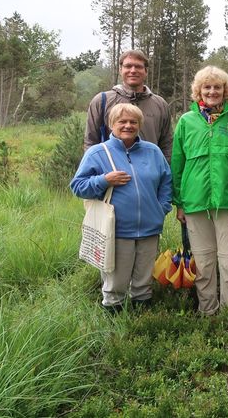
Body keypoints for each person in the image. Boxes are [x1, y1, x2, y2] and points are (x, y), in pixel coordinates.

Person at [71, 103, 172, 313]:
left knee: (144, 281)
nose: (128, 125)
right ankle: (114, 323)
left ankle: (141, 322)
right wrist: (104, 180)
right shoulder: (98, 153)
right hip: (116, 231)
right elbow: (78, 186)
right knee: (115, 282)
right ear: (111, 125)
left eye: (133, 122)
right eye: (122, 122)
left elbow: (166, 181)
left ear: (140, 125)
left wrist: (161, 208)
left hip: (149, 229)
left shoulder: (152, 151)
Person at [172, 66, 228, 315]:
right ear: (199, 91)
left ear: (225, 90)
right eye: (207, 87)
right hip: (195, 203)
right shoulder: (186, 121)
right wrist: (179, 203)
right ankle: (207, 311)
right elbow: (177, 163)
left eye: (218, 87)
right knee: (204, 262)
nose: (212, 91)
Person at [84, 49, 173, 162]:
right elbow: (90, 142)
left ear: (146, 71)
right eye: (128, 66)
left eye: (138, 67)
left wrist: (164, 172)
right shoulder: (102, 101)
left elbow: (167, 145)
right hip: (112, 174)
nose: (133, 70)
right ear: (120, 70)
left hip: (149, 175)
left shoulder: (160, 104)